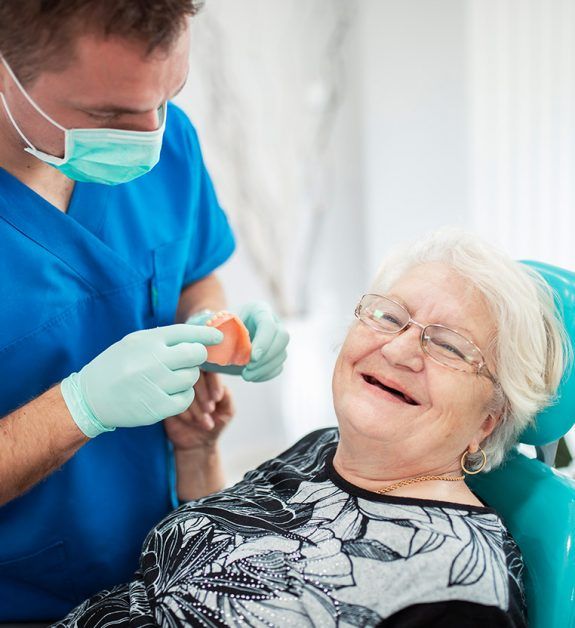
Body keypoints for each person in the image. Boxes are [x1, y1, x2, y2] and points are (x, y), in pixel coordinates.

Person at [54, 229, 568, 627]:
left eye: (450, 346)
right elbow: (216, 562)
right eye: (389, 317)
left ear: (488, 420)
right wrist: (198, 453)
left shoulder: (456, 586)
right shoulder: (323, 449)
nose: (398, 349)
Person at [0, 1, 289, 622]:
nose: (149, 135)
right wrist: (81, 407)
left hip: (158, 564)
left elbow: (192, 274)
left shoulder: (169, 138)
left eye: (169, 95)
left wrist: (217, 327)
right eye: (107, 114)